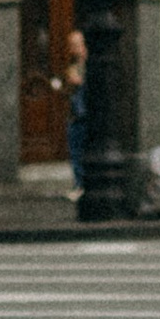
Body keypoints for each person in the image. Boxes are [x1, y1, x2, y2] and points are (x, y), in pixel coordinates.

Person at [62, 23, 88, 194]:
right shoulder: (73, 64)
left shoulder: (88, 64)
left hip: (84, 115)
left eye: (75, 45)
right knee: (75, 152)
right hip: (75, 115)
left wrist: (77, 81)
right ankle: (78, 184)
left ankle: (81, 185)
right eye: (71, 45)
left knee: (80, 152)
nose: (73, 49)